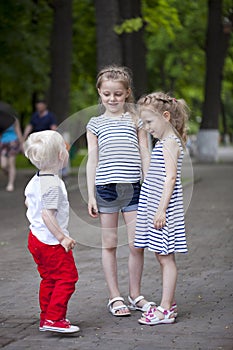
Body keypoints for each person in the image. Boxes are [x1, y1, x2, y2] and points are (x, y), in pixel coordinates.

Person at [86, 65, 155, 317]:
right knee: (110, 243)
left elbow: (144, 152)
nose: (112, 99)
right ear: (99, 93)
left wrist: (150, 184)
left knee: (137, 244)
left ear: (127, 93)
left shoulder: (136, 120)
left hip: (135, 188)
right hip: (106, 190)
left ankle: (135, 294)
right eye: (107, 94)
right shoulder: (94, 124)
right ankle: (115, 297)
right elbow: (92, 160)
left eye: (117, 94)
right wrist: (91, 194)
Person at [134, 92, 189, 326]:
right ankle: (169, 303)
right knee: (161, 255)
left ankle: (166, 308)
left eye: (149, 122)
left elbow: (170, 177)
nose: (147, 127)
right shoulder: (163, 142)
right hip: (156, 207)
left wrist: (161, 210)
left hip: (163, 210)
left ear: (166, 116)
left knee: (166, 257)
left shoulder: (169, 144)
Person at [24, 130, 79, 333]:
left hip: (35, 238)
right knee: (67, 278)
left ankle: (46, 316)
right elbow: (48, 215)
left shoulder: (36, 179)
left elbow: (28, 202)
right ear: (59, 156)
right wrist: (62, 237)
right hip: (50, 242)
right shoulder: (52, 185)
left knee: (49, 278)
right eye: (65, 148)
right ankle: (55, 319)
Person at [0, 118, 23, 191]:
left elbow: (18, 132)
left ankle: (10, 184)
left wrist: (22, 144)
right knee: (3, 165)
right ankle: (8, 173)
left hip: (13, 142)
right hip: (3, 143)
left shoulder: (14, 120)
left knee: (11, 163)